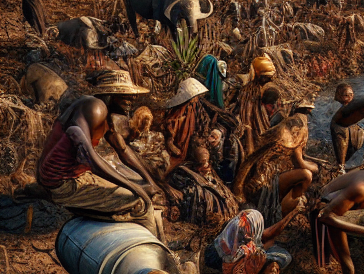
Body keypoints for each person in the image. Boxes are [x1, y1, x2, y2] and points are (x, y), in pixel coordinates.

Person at [36, 69, 164, 239]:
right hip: (62, 184)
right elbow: (91, 160)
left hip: (76, 176)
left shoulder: (103, 112)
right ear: (110, 95)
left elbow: (122, 149)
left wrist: (150, 182)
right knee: (140, 201)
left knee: (138, 185)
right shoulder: (96, 108)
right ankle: (156, 247)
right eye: (125, 96)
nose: (132, 100)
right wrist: (135, 188)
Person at [206, 207, 296, 274]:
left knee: (276, 264)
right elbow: (231, 261)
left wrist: (294, 211)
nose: (246, 234)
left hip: (240, 259)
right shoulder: (235, 233)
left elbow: (268, 234)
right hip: (228, 262)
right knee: (269, 269)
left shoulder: (249, 230)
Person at [232, 115, 316, 223]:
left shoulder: (276, 135)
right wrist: (315, 168)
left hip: (256, 180)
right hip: (265, 183)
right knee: (306, 175)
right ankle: (283, 213)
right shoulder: (293, 141)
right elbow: (300, 164)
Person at [168, 143, 237, 227]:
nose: (206, 166)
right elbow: (186, 191)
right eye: (202, 163)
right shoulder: (182, 172)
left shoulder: (211, 172)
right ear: (195, 163)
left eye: (207, 162)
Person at [162, 78, 209, 174]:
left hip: (188, 143)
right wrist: (170, 142)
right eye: (195, 96)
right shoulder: (179, 111)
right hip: (178, 143)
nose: (197, 98)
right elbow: (170, 124)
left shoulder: (195, 107)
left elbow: (203, 121)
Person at [234, 56, 277, 153]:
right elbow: (247, 117)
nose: (268, 79)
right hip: (253, 129)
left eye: (269, 77)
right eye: (265, 77)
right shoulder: (249, 91)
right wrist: (250, 147)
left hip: (263, 126)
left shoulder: (266, 88)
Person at [328, 81, 364, 167]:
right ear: (339, 96)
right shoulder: (337, 110)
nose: (350, 97)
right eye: (346, 95)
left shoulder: (353, 108)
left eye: (351, 94)